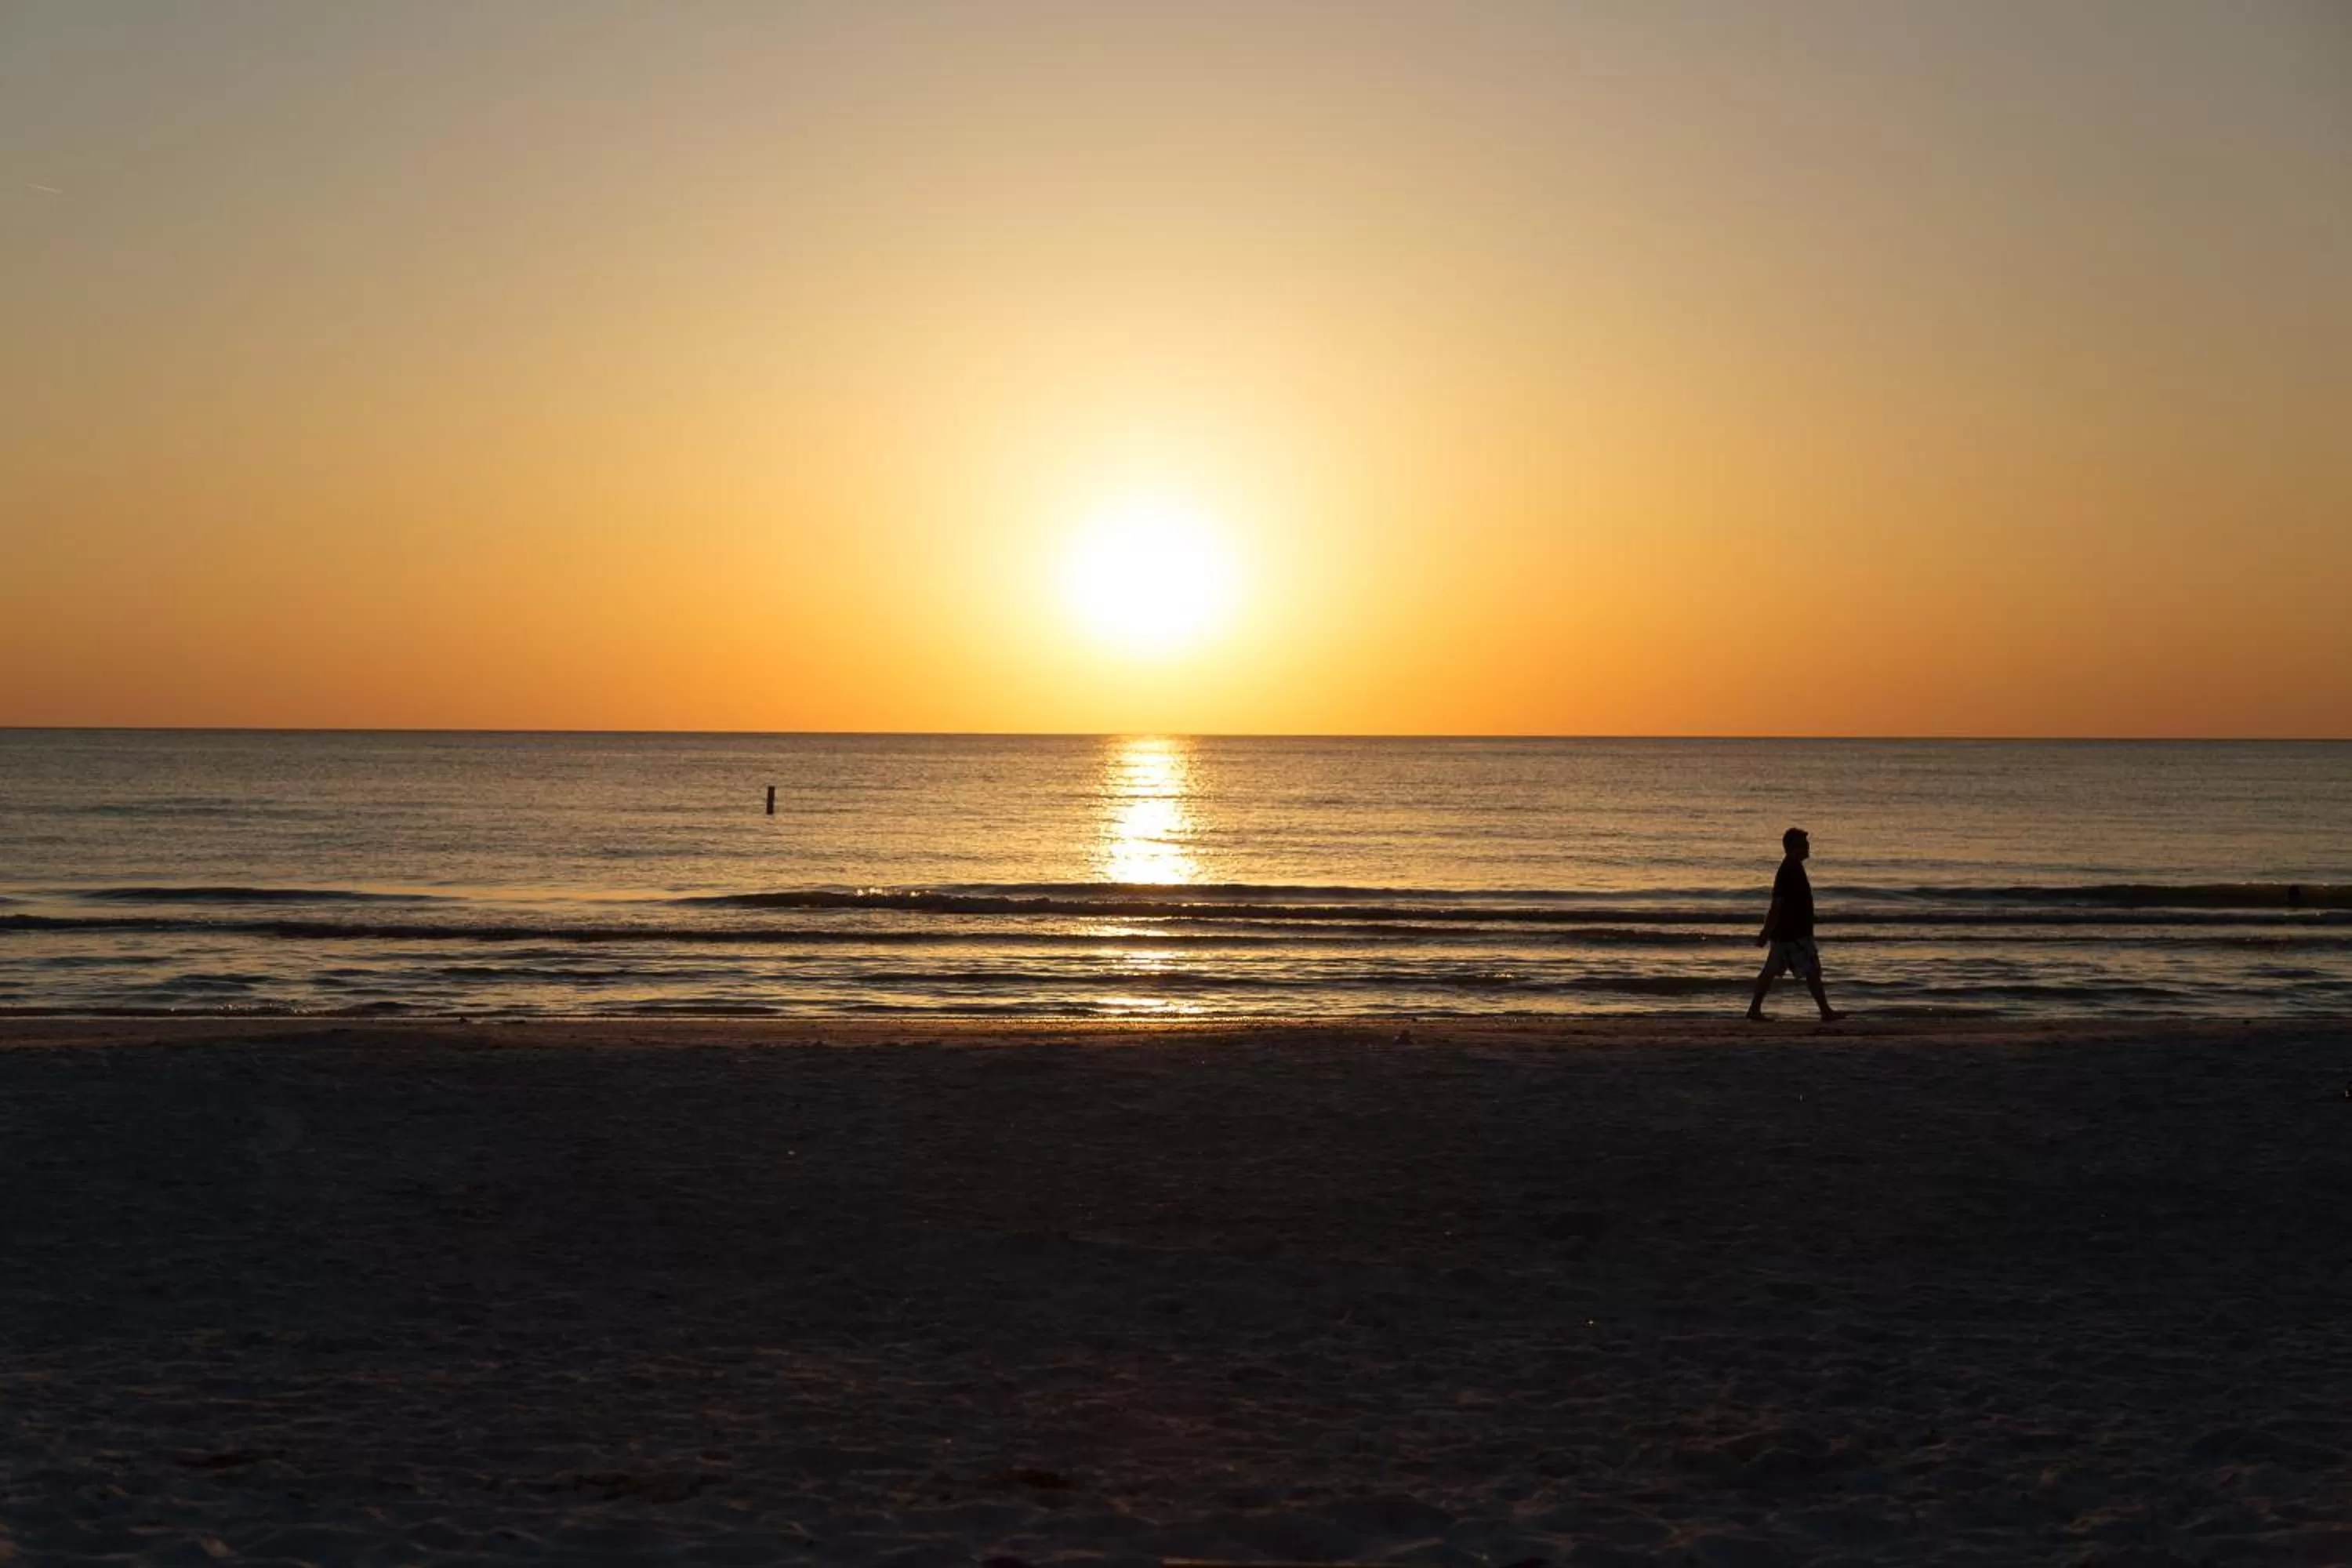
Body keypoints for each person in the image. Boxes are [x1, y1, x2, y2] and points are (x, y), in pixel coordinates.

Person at [1749, 826, 1842, 1022]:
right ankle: (1826, 1012)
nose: (1808, 847)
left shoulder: (1794, 868)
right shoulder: (1788, 871)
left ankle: (1754, 1009)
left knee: (1772, 971)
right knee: (1812, 970)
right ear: (1793, 847)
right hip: (1793, 935)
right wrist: (1766, 932)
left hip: (1789, 934)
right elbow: (1777, 905)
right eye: (1804, 844)